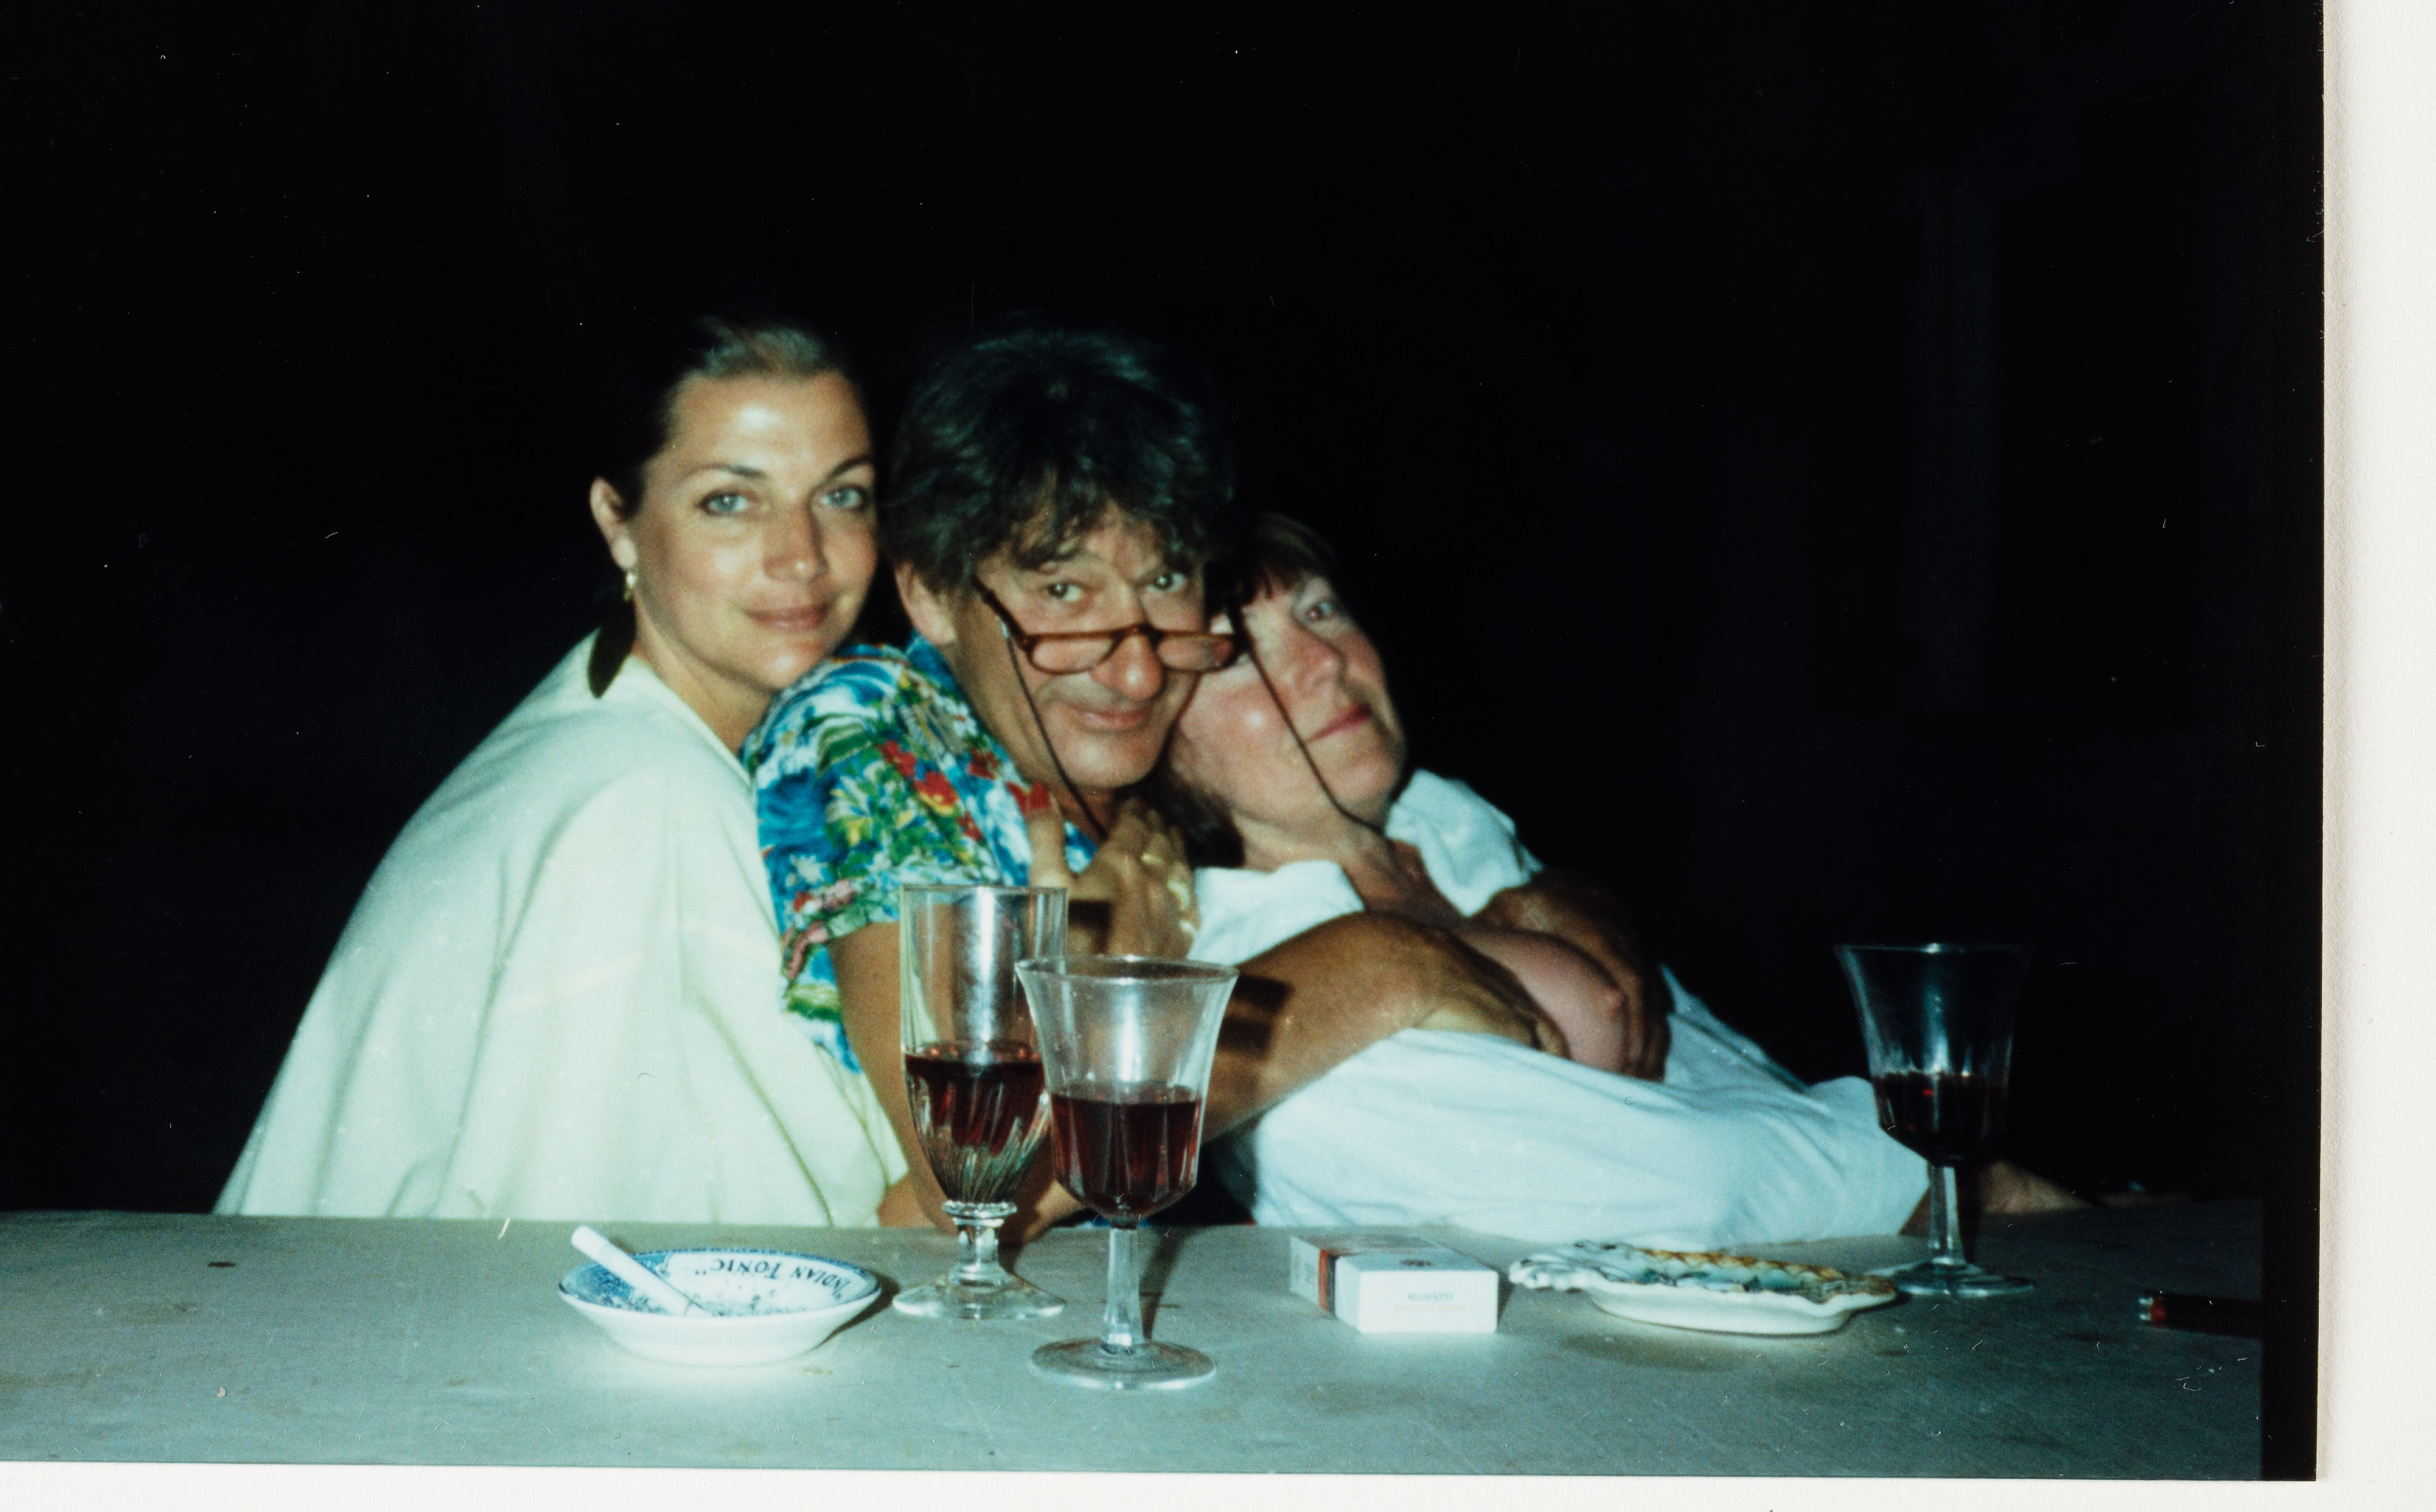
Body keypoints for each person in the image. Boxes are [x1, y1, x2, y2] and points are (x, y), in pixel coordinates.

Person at [746, 324, 1603, 1233]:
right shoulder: (875, 722)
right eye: (1063, 595)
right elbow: (966, 1172)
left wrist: (1573, 901)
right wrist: (1382, 963)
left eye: (1166, 579)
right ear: (929, 594)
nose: (1139, 674)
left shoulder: (1178, 706)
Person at [1155, 511, 2078, 1246]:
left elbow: (1727, 1071)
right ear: (1167, 746)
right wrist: (1950, 1164)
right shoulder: (1259, 973)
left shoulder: (1449, 822)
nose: (1324, 662)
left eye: (1321, 609)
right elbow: (1680, 1196)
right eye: (1238, 656)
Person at [217, 316, 905, 1225]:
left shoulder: (620, 726)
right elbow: (757, 1264)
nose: (803, 555)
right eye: (730, 502)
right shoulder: (645, 800)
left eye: (843, 497)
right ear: (618, 522)